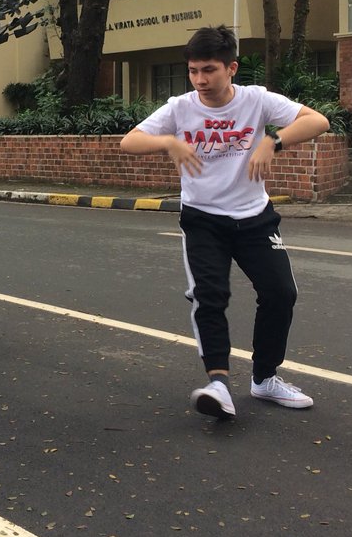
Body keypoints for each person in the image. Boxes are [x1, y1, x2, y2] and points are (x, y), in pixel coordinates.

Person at [120, 25, 330, 421]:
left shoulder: (257, 100)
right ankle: (217, 383)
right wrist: (168, 141)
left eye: (209, 70)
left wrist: (273, 141)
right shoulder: (180, 108)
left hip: (254, 217)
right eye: (194, 71)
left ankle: (265, 379)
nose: (200, 80)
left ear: (231, 68)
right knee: (210, 296)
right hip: (203, 220)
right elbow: (129, 142)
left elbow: (317, 121)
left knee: (280, 293)